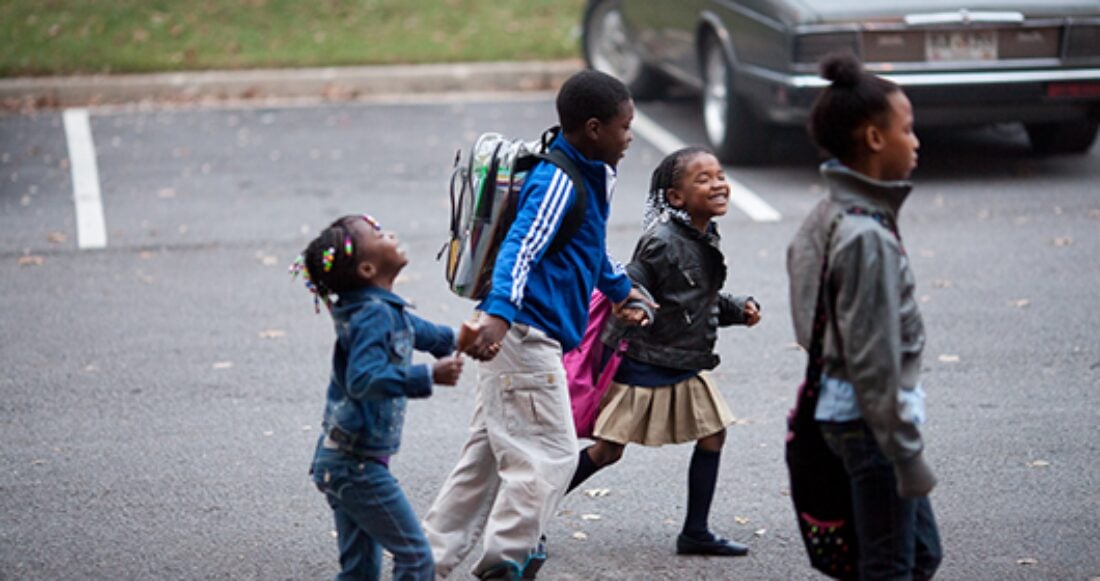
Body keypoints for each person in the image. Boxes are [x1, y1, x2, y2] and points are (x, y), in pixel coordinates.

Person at [422, 70, 653, 581]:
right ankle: (506, 564)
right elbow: (520, 248)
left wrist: (620, 291)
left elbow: (585, 248)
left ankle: (425, 562)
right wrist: (501, 316)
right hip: (526, 337)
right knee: (548, 456)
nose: (630, 136)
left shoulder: (585, 175)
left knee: (481, 463)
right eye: (625, 126)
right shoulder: (559, 181)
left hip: (524, 336)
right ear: (594, 129)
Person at [786, 53, 943, 579]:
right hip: (871, 423)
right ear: (874, 139)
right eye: (907, 129)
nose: (915, 141)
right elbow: (873, 360)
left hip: (850, 412)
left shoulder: (830, 214)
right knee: (890, 565)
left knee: (920, 555)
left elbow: (808, 312)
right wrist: (904, 451)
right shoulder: (865, 236)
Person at [565, 146, 762, 558]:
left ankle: (695, 532)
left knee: (713, 435)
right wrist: (633, 310)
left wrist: (737, 308)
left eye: (720, 174)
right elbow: (632, 287)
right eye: (703, 179)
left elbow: (693, 300)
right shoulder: (662, 242)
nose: (718, 184)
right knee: (606, 451)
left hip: (684, 360)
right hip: (646, 363)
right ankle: (528, 517)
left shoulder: (701, 234)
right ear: (675, 197)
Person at [290, 214, 464, 581]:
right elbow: (363, 379)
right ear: (368, 268)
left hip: (343, 461)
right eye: (379, 234)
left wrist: (470, 339)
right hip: (355, 466)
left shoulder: (383, 310)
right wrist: (428, 375)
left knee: (360, 573)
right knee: (417, 558)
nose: (390, 233)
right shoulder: (374, 315)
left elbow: (432, 336)